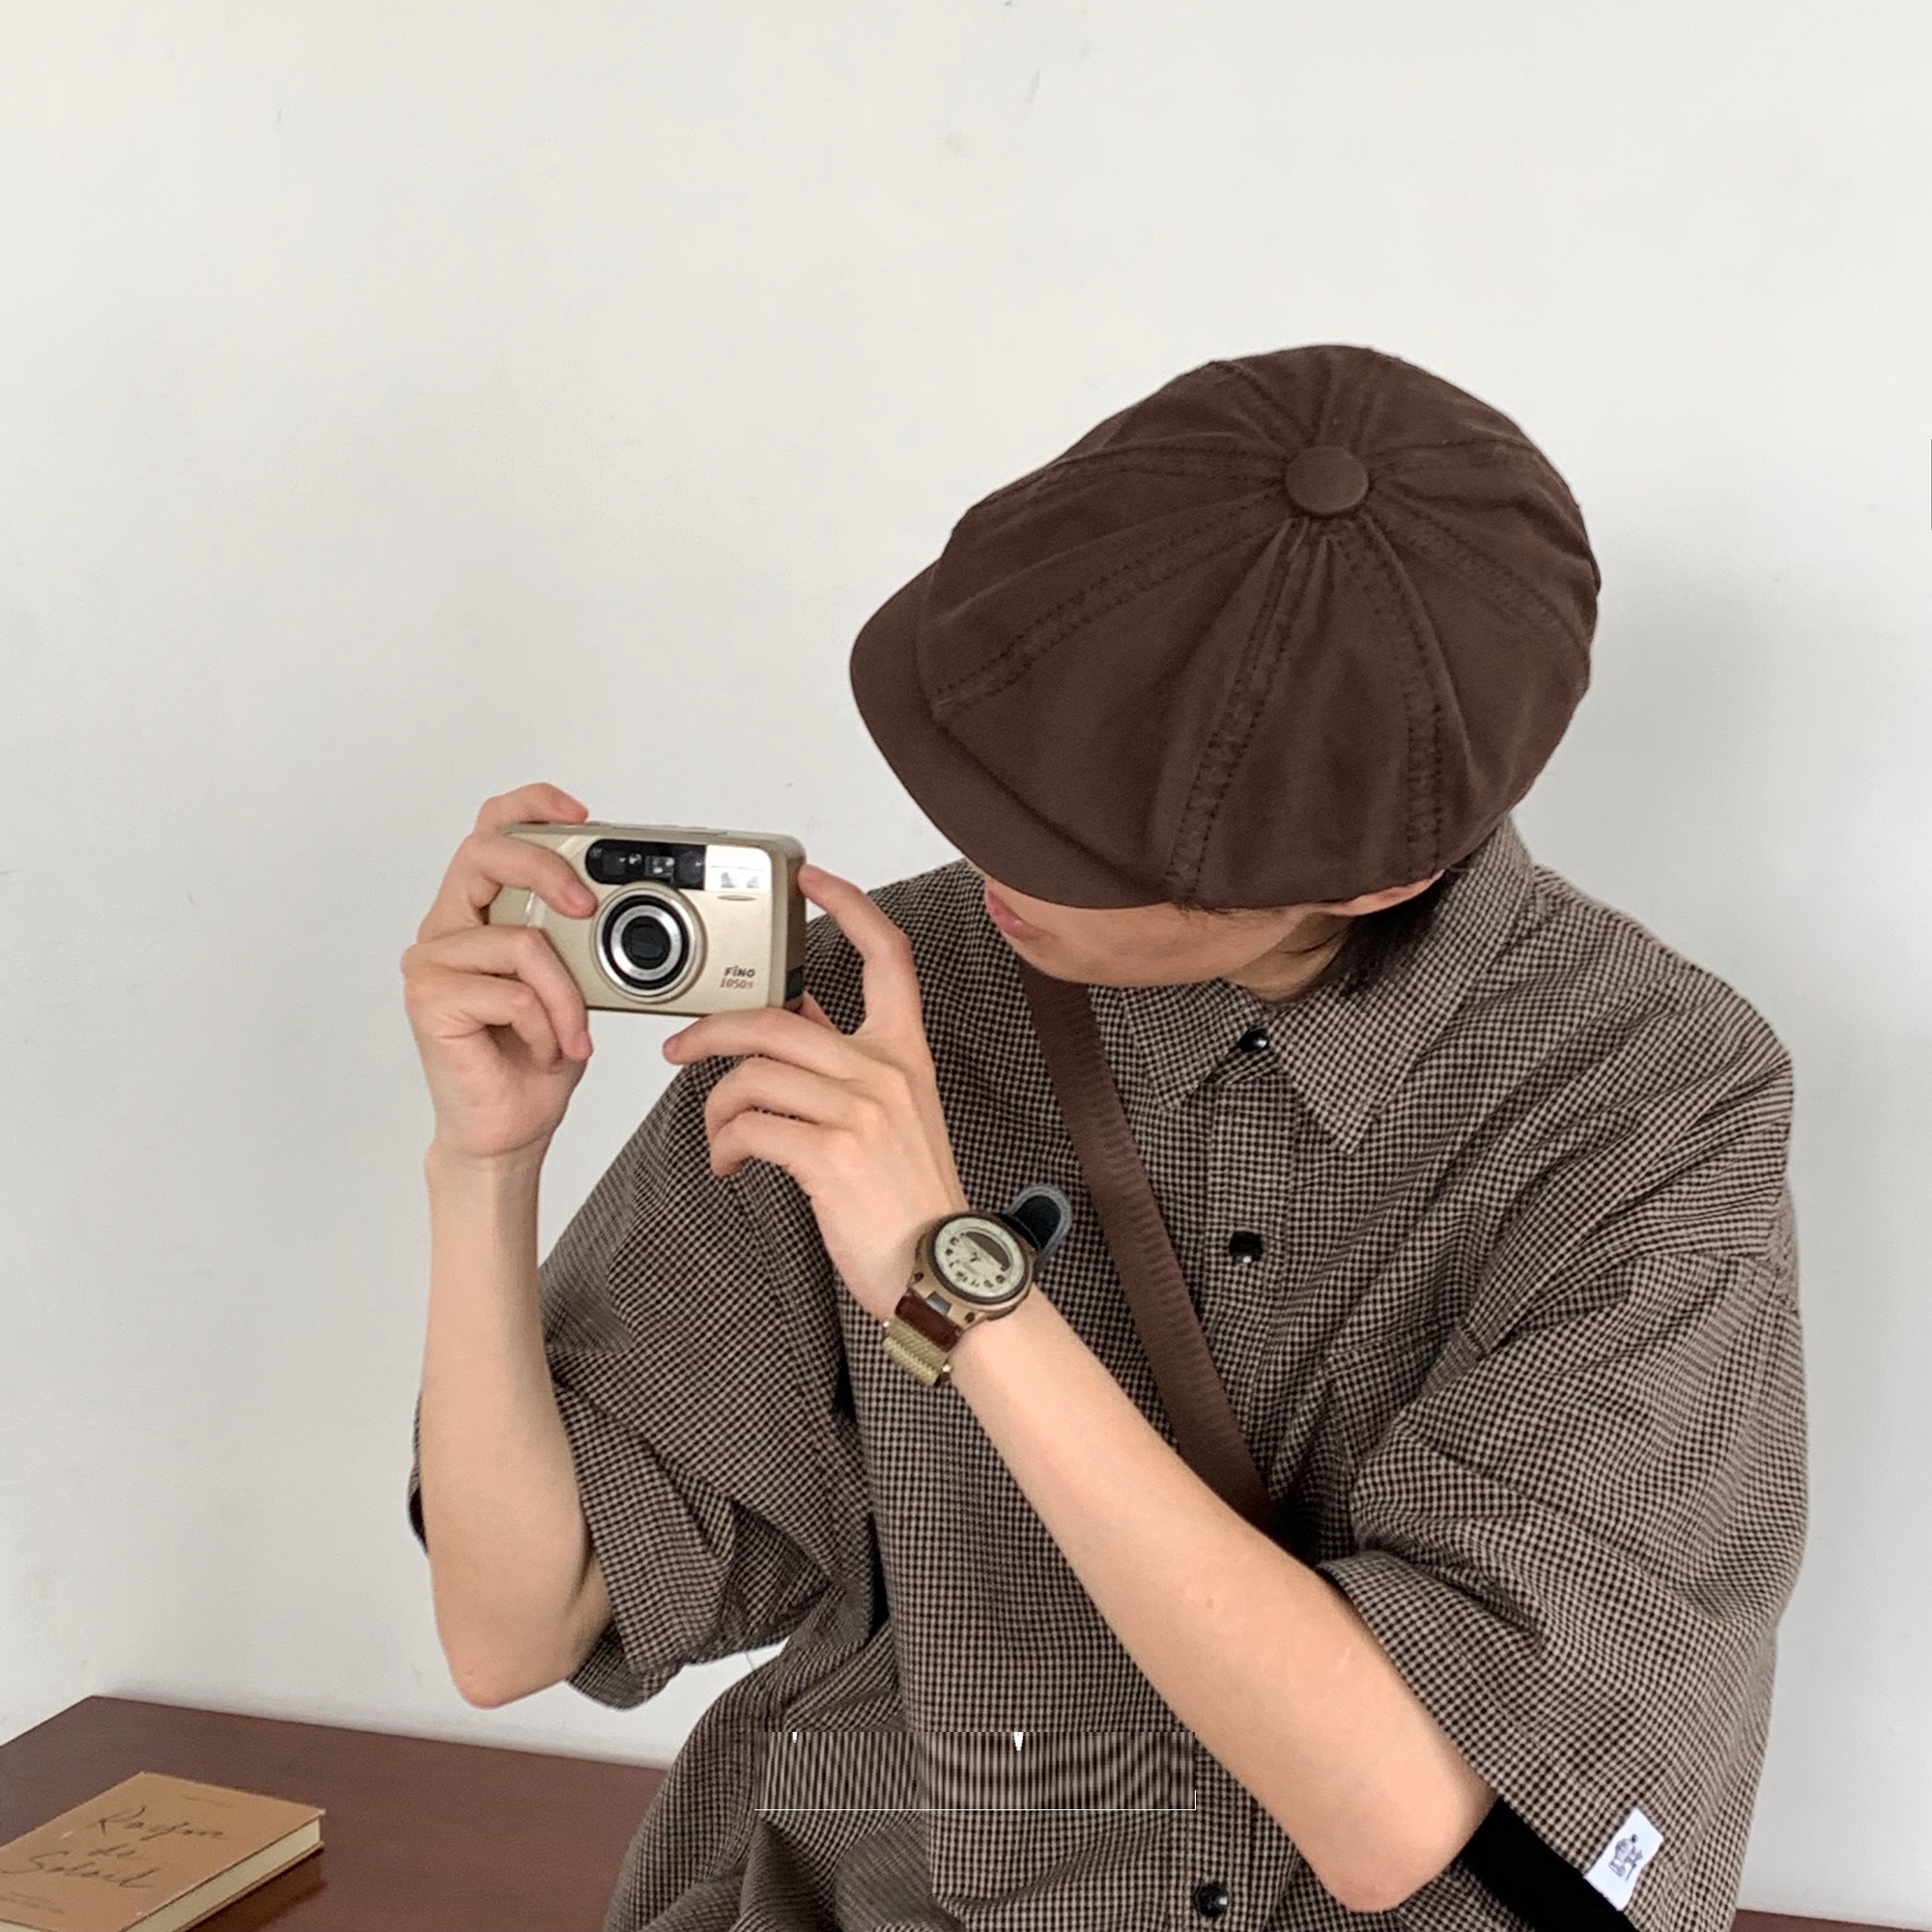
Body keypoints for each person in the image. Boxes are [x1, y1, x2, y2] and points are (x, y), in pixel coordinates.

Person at [400, 345, 1805, 1932]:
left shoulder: (1650, 1100)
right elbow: (512, 1631)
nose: (986, 854)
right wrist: (484, 1165)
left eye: (1077, 842)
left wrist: (948, 1276)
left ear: (1364, 879)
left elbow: (1392, 1810)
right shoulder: (878, 1010)